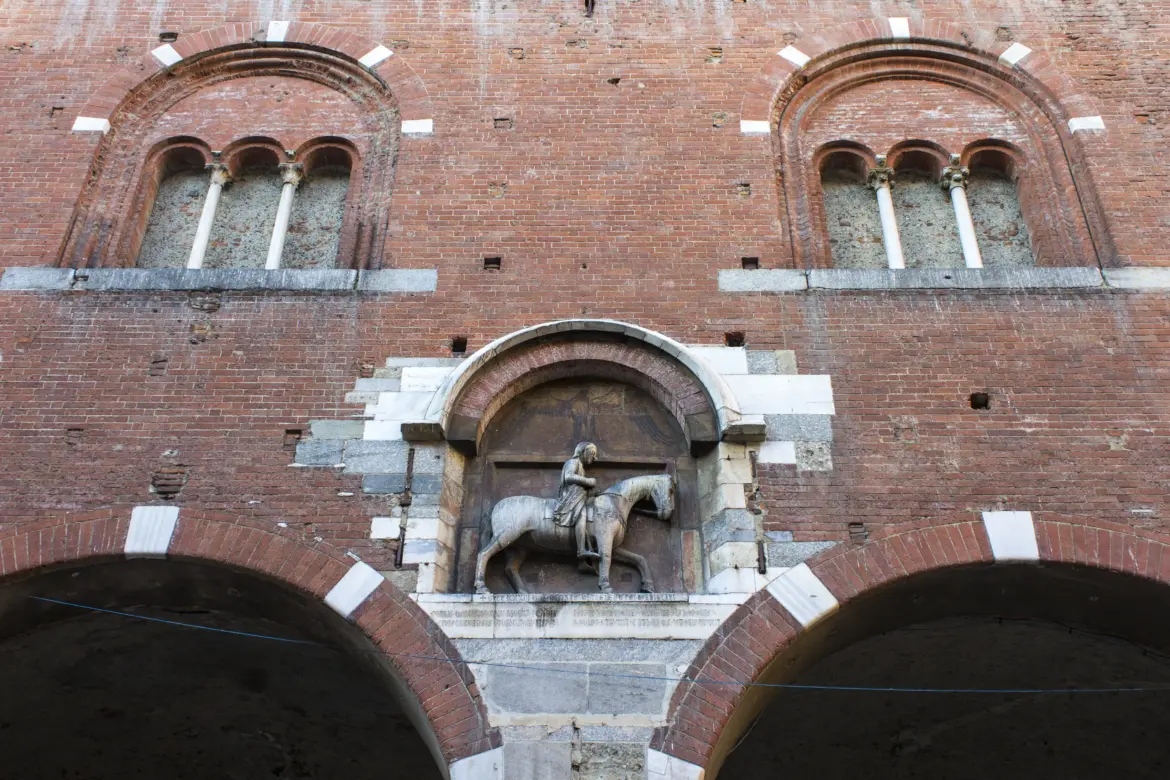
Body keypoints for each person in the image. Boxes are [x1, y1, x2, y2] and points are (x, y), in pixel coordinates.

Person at [552, 442, 600, 560]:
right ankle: (581, 551)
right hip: (570, 498)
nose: (594, 457)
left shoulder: (581, 467)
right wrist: (588, 481)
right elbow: (568, 477)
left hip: (577, 497)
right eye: (592, 453)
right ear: (583, 451)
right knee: (582, 514)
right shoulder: (573, 462)